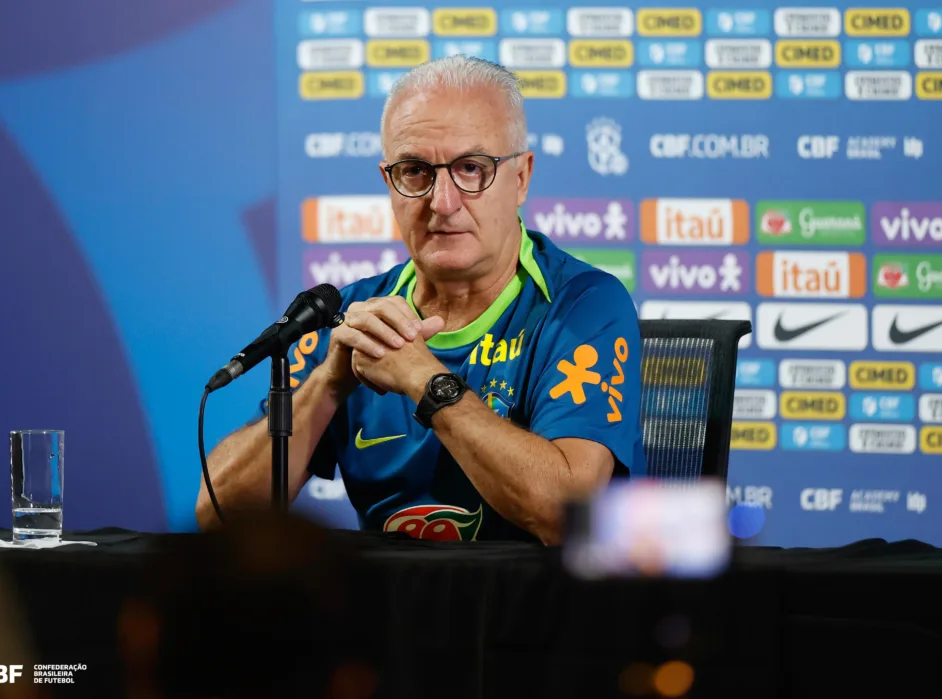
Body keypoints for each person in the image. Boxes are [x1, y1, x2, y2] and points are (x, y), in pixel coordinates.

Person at [197, 56, 647, 544]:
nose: (443, 202)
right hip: (391, 614)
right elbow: (220, 514)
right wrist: (328, 384)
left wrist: (422, 377)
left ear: (521, 178)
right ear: (388, 182)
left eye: (472, 168)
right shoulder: (350, 316)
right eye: (415, 171)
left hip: (535, 614)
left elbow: (568, 515)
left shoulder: (584, 306)